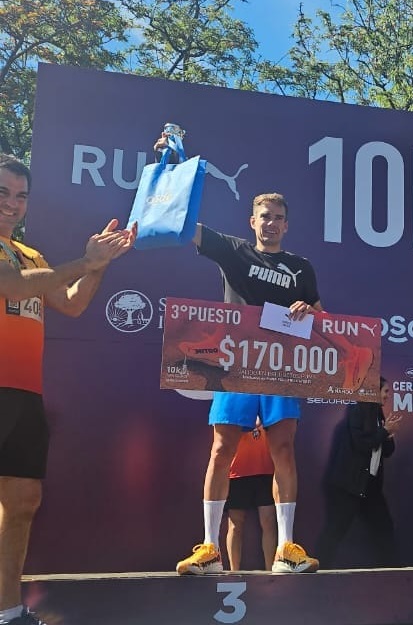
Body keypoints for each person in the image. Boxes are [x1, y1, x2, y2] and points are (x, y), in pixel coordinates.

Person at [165, 132, 323, 575]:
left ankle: (286, 548)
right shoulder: (233, 250)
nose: (271, 223)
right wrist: (173, 169)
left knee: (284, 450)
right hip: (234, 363)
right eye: (264, 217)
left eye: (278, 218)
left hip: (280, 368)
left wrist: (308, 311)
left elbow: (321, 318)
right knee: (221, 449)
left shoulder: (300, 267)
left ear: (287, 226)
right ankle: (209, 549)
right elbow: (184, 226)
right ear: (252, 221)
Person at [0, 154, 136, 625]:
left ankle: (8, 611)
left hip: (24, 394)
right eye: (3, 193)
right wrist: (84, 260)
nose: (12, 204)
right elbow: (14, 288)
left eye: (21, 196)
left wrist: (100, 266)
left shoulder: (32, 254)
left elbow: (73, 304)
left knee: (22, 503)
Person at [315, 378, 402, 568]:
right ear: (374, 391)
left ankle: (392, 572)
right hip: (349, 485)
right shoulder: (357, 410)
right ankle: (317, 569)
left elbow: (387, 451)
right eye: (385, 391)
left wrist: (388, 435)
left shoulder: (379, 415)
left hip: (371, 487)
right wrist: (384, 431)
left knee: (384, 528)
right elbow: (361, 444)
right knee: (335, 530)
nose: (388, 396)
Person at [224, 422, 276, 571]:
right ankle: (234, 572)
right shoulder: (235, 408)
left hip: (266, 471)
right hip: (236, 472)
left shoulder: (267, 408)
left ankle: (271, 572)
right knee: (235, 524)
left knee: (269, 522)